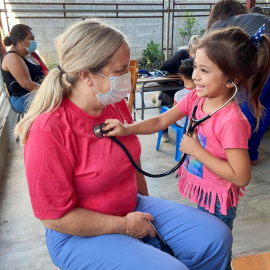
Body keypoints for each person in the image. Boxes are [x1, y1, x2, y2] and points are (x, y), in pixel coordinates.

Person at [15, 19, 232, 270]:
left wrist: (146, 209)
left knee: (216, 238)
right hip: (78, 234)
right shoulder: (48, 130)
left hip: (131, 206)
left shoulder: (112, 103)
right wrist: (126, 226)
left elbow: (132, 160)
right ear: (86, 75)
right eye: (120, 71)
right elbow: (54, 218)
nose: (128, 78)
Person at [104, 26, 270, 269]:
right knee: (202, 241)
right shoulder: (196, 98)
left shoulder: (231, 121)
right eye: (196, 67)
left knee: (216, 245)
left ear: (232, 79)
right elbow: (161, 120)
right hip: (203, 190)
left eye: (204, 70)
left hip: (218, 201)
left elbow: (241, 176)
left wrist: (196, 151)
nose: (196, 76)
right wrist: (128, 128)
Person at [209, 0, 270, 165]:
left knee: (247, 108)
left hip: (261, 64)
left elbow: (211, 54)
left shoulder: (219, 25)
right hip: (264, 65)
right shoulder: (258, 17)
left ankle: (239, 157)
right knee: (264, 108)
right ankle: (251, 154)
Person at [157, 36, 200, 142]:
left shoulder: (181, 94)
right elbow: (164, 66)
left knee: (165, 104)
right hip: (193, 123)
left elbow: (174, 110)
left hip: (184, 122)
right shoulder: (181, 55)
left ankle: (164, 133)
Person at [1, 24, 48, 113]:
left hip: (37, 92)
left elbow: (44, 71)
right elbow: (27, 84)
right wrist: (51, 92)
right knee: (56, 105)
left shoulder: (29, 54)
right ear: (20, 41)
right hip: (24, 97)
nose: (34, 41)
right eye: (31, 39)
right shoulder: (12, 57)